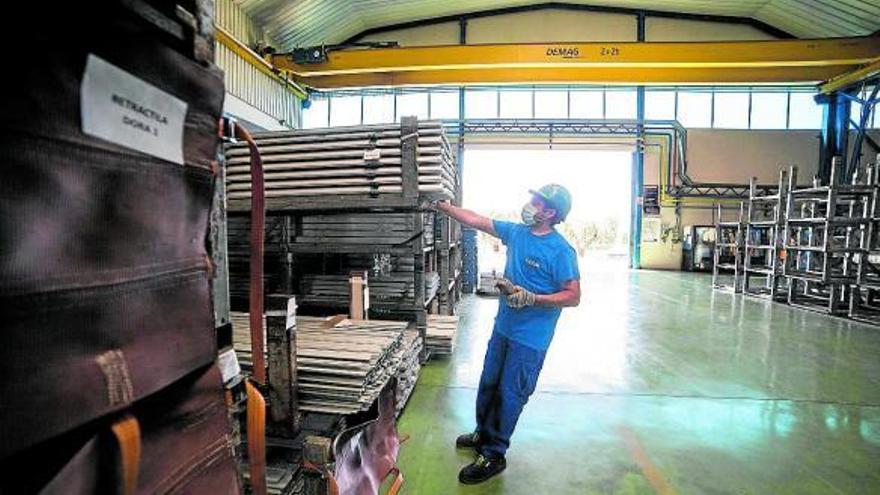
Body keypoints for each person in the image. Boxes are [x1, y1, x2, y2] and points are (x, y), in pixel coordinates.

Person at [431, 184, 581, 485]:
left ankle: (495, 453)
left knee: (510, 394)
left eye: (537, 202)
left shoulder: (561, 251)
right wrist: (445, 207)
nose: (530, 204)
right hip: (504, 328)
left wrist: (533, 298)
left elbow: (573, 295)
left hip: (531, 339)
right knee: (489, 383)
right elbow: (476, 220)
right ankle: (482, 433)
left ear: (550, 212)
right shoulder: (517, 233)